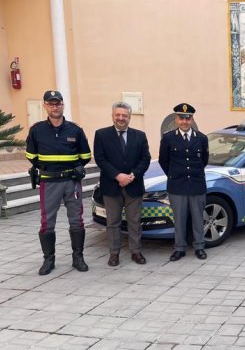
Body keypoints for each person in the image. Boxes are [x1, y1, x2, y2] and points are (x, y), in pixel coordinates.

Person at [26, 90, 92, 275]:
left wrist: (77, 167)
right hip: (49, 182)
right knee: (47, 222)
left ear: (63, 105)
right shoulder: (37, 130)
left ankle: (78, 258)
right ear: (45, 106)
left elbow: (85, 155)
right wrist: (49, 167)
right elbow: (31, 156)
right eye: (51, 103)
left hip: (71, 181)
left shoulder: (75, 130)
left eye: (58, 103)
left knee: (76, 220)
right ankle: (49, 260)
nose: (55, 107)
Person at [93, 101, 151, 266]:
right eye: (118, 115)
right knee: (112, 222)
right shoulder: (101, 135)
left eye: (124, 115)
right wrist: (118, 176)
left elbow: (145, 159)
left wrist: (132, 176)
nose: (121, 118)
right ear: (112, 116)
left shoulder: (139, 135)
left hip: (134, 185)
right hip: (112, 186)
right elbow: (100, 158)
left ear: (129, 117)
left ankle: (136, 251)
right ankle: (114, 253)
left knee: (135, 221)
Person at [159, 103, 209, 261]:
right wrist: (174, 175)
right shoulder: (168, 138)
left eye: (188, 118)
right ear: (176, 119)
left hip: (196, 184)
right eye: (181, 118)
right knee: (179, 219)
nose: (184, 121)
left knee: (198, 218)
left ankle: (199, 247)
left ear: (192, 119)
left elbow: (204, 161)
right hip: (177, 185)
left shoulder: (202, 138)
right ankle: (179, 248)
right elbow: (163, 161)